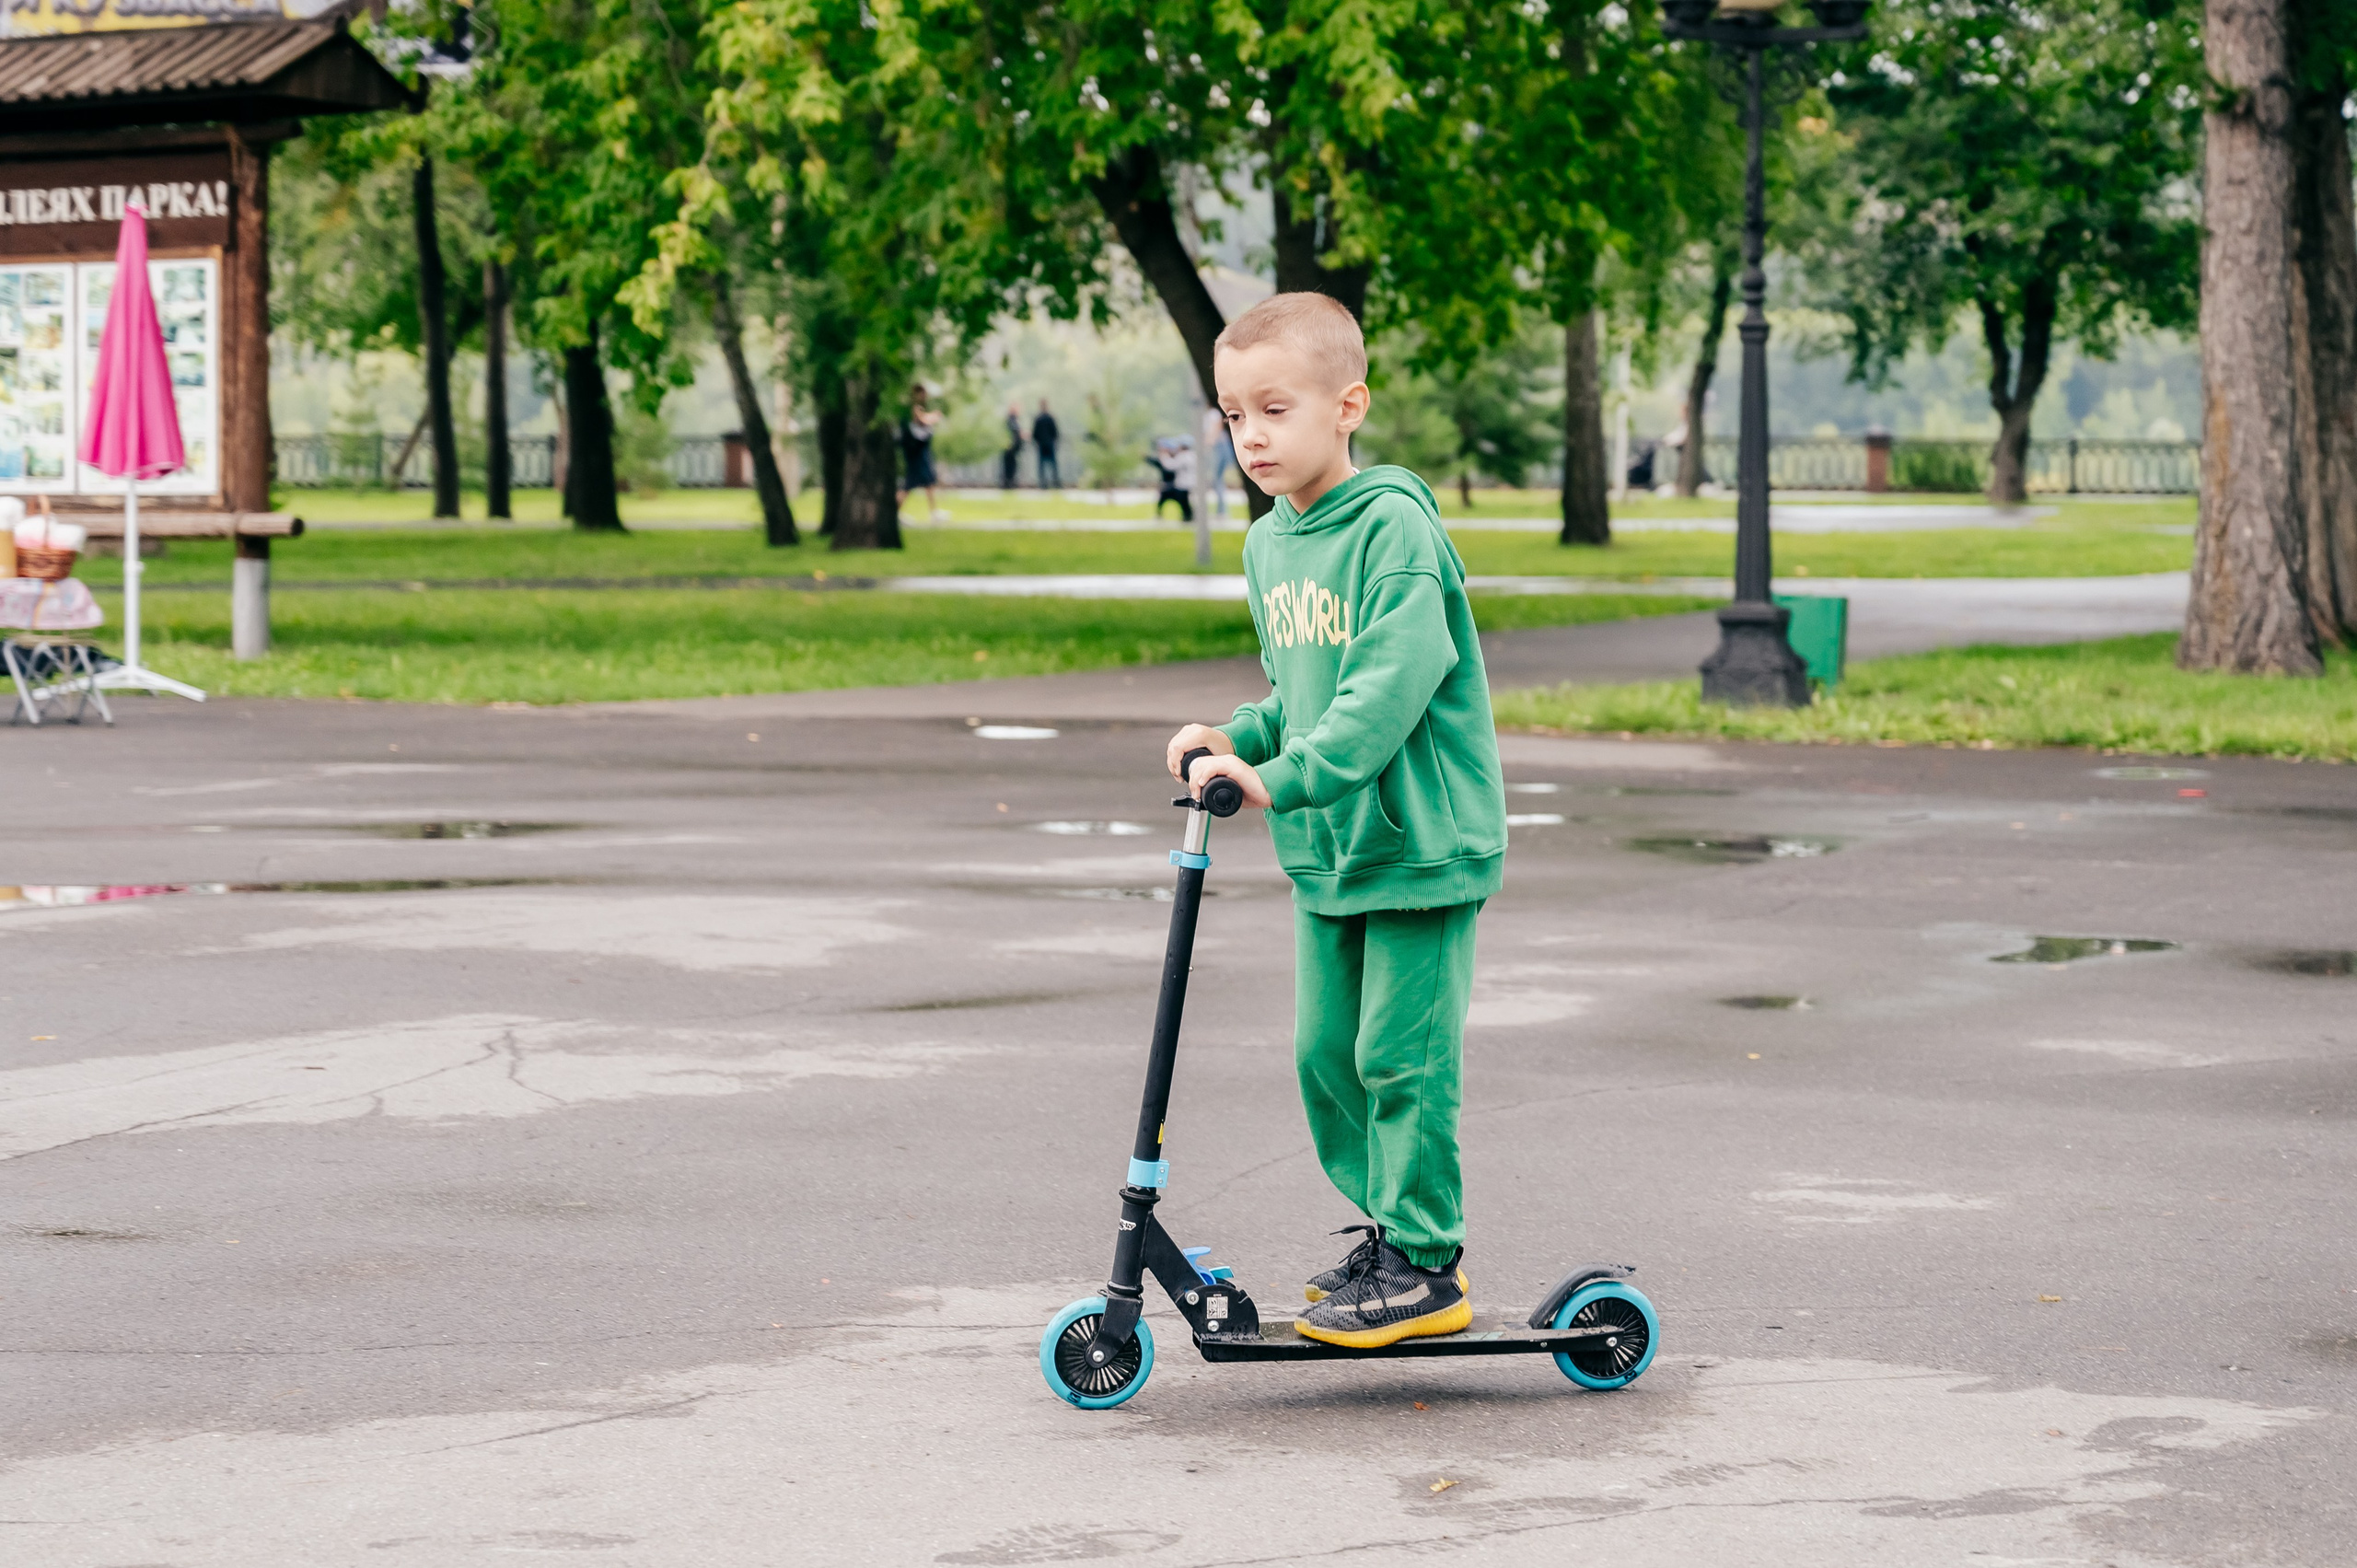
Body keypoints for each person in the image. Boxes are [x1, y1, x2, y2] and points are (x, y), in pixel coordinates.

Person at [1165, 293, 1504, 1351]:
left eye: (1274, 408)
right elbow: (1296, 694)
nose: (1250, 435)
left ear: (1347, 404)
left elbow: (1387, 689)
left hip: (1418, 839)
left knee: (1400, 1056)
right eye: (1232, 416)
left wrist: (1288, 772)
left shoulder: (1394, 526)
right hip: (1330, 843)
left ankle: (1426, 1260)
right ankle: (1390, 1235)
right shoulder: (1271, 546)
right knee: (1326, 1054)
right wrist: (1233, 736)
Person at [898, 386, 945, 522]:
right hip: (915, 452)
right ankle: (896, 513)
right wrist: (934, 416)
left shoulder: (918, 407)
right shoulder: (912, 408)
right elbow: (923, 419)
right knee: (908, 484)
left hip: (921, 450)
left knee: (929, 481)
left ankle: (934, 512)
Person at [1149, 437, 1194, 523]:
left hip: (1184, 484)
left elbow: (1170, 466)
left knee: (1184, 501)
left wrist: (1164, 455)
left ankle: (1188, 516)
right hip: (1188, 482)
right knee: (1184, 501)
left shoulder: (1183, 456)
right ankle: (1188, 516)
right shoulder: (1192, 455)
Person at [1031, 398, 1061, 489]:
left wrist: (1037, 441)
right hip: (1050, 443)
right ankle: (1055, 483)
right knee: (1053, 464)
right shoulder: (1050, 418)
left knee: (1042, 465)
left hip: (1041, 444)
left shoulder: (1038, 419)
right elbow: (1055, 432)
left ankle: (1043, 484)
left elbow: (1034, 434)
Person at [1000, 402, 1025, 491]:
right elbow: (1013, 432)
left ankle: (1009, 483)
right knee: (1009, 466)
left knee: (1011, 466)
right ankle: (1008, 483)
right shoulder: (1011, 420)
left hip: (1012, 448)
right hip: (1010, 447)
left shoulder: (1013, 420)